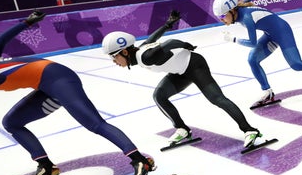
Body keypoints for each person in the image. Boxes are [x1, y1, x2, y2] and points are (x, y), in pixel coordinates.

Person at [0, 10, 156, 175]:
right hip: (47, 84)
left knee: (95, 123)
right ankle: (47, 167)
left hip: (59, 79)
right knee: (12, 123)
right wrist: (25, 23)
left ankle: (139, 160)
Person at [102, 11, 264, 149]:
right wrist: (167, 25)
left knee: (216, 98)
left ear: (124, 51)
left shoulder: (146, 57)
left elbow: (170, 42)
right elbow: (152, 39)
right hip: (179, 71)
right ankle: (182, 129)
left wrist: (185, 44)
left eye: (113, 56)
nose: (114, 61)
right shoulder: (140, 52)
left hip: (194, 66)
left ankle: (249, 130)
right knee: (159, 96)